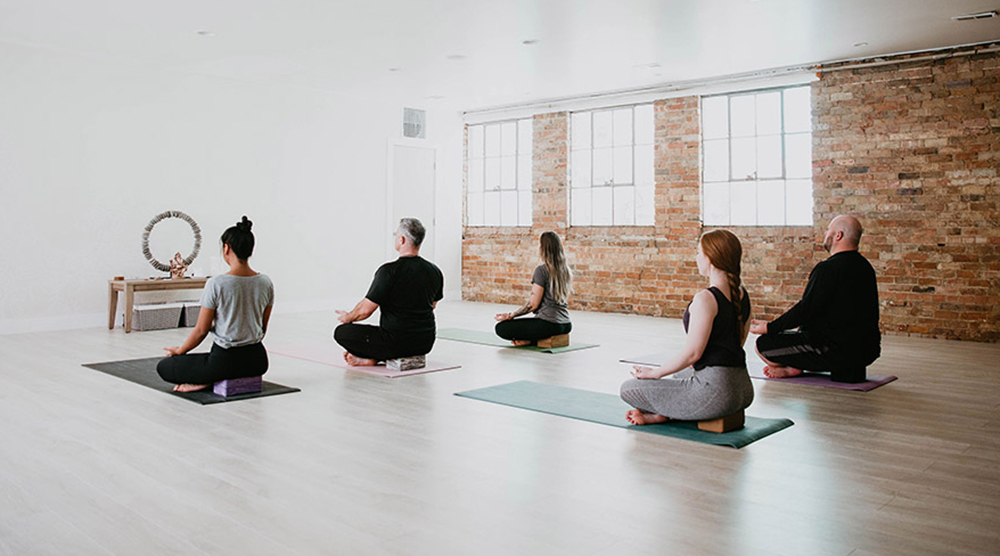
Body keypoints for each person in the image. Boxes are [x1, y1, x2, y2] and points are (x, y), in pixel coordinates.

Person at [620, 230, 754, 425]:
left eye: (698, 252)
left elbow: (693, 354)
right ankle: (665, 413)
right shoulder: (742, 294)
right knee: (680, 374)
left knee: (628, 388)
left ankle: (665, 413)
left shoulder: (705, 299)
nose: (696, 257)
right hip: (743, 389)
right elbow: (738, 342)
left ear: (710, 258)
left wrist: (654, 373)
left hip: (717, 393)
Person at [750, 215, 880, 383]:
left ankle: (794, 367)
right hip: (867, 351)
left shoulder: (827, 269)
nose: (825, 233)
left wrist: (769, 327)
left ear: (838, 236)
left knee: (762, 345)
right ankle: (837, 367)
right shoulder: (866, 267)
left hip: (834, 351)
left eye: (828, 230)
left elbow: (805, 310)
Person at [157, 216, 274, 392]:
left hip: (224, 362)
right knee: (210, 362)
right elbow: (262, 329)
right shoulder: (266, 282)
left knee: (165, 366)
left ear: (226, 248)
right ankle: (214, 377)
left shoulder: (217, 283)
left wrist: (180, 350)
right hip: (257, 361)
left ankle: (209, 379)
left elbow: (201, 330)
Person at [333, 218, 444, 366]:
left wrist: (347, 317)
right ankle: (375, 358)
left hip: (395, 343)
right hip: (425, 343)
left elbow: (365, 311)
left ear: (402, 240)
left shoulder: (388, 271)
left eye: (396, 235)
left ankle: (375, 357)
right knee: (389, 335)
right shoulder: (434, 271)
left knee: (342, 332)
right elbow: (432, 305)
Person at [494, 231, 573, 346]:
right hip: (566, 325)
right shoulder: (566, 270)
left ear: (543, 249)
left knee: (501, 328)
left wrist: (511, 315)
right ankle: (533, 339)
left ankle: (532, 341)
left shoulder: (542, 270)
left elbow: (533, 305)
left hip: (548, 325)